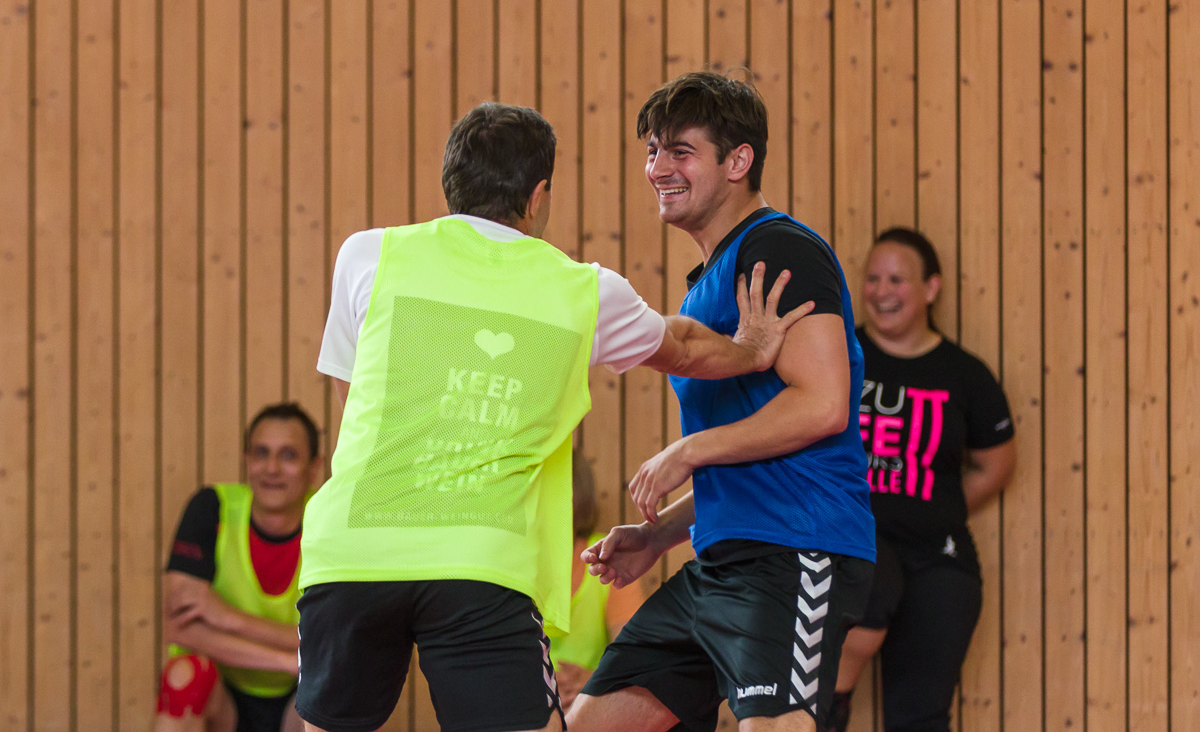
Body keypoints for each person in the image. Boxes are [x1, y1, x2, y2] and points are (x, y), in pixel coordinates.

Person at [295, 101, 813, 732]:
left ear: (451, 182)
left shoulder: (367, 254)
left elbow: (354, 398)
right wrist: (750, 351)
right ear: (538, 195)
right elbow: (681, 345)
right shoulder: (585, 289)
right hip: (482, 561)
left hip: (352, 550)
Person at [568, 71, 876, 732]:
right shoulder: (709, 278)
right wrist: (658, 534)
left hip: (795, 549)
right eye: (653, 150)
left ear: (738, 161)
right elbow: (749, 456)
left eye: (680, 151)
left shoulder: (777, 250)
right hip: (720, 564)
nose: (658, 168)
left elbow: (823, 405)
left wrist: (688, 450)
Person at [825, 228, 1016, 732]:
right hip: (853, 547)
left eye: (896, 280)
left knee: (920, 716)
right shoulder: (837, 356)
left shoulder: (965, 374)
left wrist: (933, 508)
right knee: (822, 695)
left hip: (939, 559)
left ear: (931, 288)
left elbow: (996, 465)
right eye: (872, 279)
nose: (881, 291)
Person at [157, 403, 322, 732]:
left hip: (299, 702)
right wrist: (288, 660)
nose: (271, 468)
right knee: (184, 675)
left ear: (314, 467)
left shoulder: (328, 521)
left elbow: (338, 643)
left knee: (346, 684)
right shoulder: (212, 508)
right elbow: (180, 629)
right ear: (247, 460)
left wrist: (227, 618)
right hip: (226, 701)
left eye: (288, 455)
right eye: (261, 453)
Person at [550, 451, 645, 712]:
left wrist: (595, 682)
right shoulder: (512, 561)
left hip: (591, 704)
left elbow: (634, 657)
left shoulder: (608, 557)